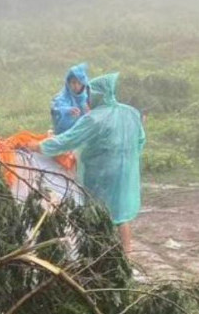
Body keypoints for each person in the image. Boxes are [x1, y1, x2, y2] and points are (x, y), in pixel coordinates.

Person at [28, 73, 146, 254]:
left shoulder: (94, 118)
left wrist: (39, 146)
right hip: (126, 173)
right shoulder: (130, 112)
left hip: (100, 174)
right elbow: (140, 140)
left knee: (96, 213)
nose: (87, 98)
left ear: (99, 94)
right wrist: (127, 159)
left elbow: (67, 140)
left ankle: (97, 254)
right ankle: (126, 256)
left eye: (89, 94)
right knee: (121, 215)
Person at [51, 63, 90, 135]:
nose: (76, 86)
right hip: (64, 134)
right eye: (73, 82)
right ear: (68, 83)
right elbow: (57, 109)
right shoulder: (62, 97)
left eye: (79, 83)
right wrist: (68, 110)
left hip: (82, 133)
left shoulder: (86, 97)